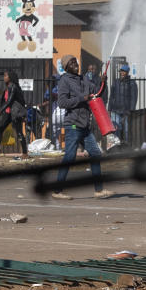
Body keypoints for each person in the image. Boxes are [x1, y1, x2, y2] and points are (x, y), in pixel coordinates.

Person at [51, 55, 114, 200]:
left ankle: (99, 190)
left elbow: (97, 93)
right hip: (73, 124)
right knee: (69, 157)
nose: (76, 64)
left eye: (76, 62)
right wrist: (81, 98)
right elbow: (62, 102)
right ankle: (57, 191)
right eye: (72, 63)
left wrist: (103, 83)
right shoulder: (64, 81)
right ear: (66, 67)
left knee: (95, 154)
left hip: (84, 126)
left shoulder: (83, 79)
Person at [0, 70, 28, 159]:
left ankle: (25, 153)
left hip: (15, 113)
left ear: (10, 77)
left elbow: (10, 101)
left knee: (19, 132)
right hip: (8, 113)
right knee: (0, 130)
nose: (4, 78)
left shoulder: (13, 87)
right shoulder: (7, 88)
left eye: (5, 76)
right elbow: (4, 101)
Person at [108, 64, 138, 144]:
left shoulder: (132, 83)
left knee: (126, 130)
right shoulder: (115, 82)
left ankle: (126, 146)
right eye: (121, 71)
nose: (122, 73)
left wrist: (130, 110)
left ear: (127, 72)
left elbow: (133, 98)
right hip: (115, 110)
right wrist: (109, 109)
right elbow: (111, 96)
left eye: (123, 71)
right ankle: (115, 145)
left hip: (126, 111)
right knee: (115, 128)